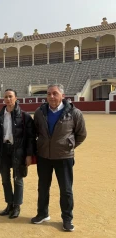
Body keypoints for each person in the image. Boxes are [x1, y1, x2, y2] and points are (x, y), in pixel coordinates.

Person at [32, 84, 87, 232]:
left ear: (62, 96)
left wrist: (68, 146)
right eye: (49, 94)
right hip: (43, 156)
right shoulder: (39, 112)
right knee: (43, 187)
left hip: (64, 157)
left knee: (66, 190)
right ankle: (43, 213)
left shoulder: (74, 113)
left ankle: (67, 219)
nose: (51, 96)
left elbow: (81, 134)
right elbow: (35, 132)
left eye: (55, 93)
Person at [0, 89, 36, 219]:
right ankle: (9, 204)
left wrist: (29, 155)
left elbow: (31, 137)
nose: (8, 99)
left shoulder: (25, 116)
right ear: (3, 100)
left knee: (18, 179)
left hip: (19, 151)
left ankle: (17, 206)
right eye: (6, 97)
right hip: (3, 149)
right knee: (5, 179)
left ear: (16, 98)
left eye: (10, 96)